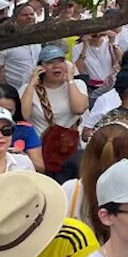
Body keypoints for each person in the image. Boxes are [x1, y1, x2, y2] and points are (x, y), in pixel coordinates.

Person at [19, 45, 88, 173]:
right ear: (40, 67)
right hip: (44, 150)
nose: (56, 66)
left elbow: (79, 109)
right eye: (50, 62)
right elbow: (24, 115)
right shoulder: (28, 90)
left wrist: (70, 81)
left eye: (60, 61)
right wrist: (31, 85)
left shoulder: (78, 85)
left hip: (72, 147)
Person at [0, 85, 44, 171]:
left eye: (9, 110)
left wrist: (23, 158)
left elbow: (40, 167)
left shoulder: (25, 129)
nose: (0, 136)